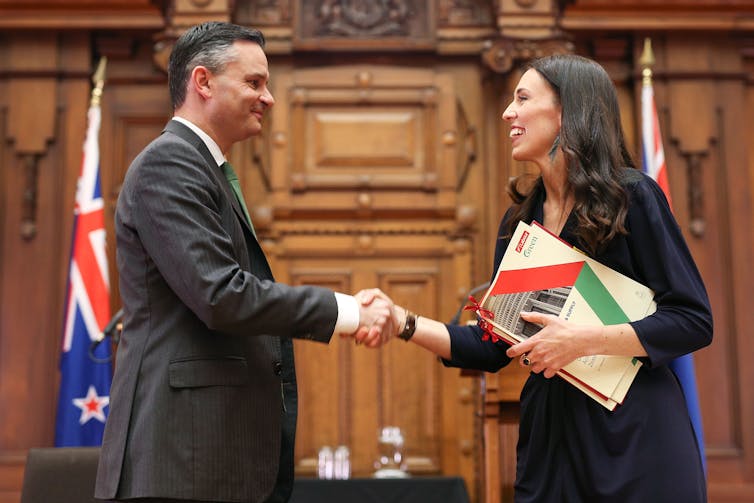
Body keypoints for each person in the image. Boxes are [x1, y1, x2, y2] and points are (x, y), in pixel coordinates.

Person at [363, 54, 713, 502]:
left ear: (568, 111)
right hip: (553, 444)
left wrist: (584, 340)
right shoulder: (519, 223)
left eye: (523, 98)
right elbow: (492, 346)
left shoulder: (634, 196)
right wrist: (403, 322)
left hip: (636, 439)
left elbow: (692, 320)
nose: (508, 112)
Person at [94, 21, 392, 503]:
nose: (268, 98)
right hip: (182, 464)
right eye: (254, 82)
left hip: (209, 462)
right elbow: (221, 295)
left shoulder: (200, 167)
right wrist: (347, 312)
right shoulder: (169, 164)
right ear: (203, 82)